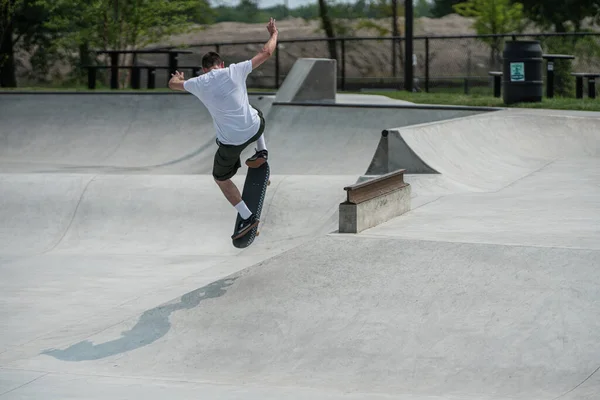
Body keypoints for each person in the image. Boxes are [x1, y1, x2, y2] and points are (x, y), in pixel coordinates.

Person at [168, 17, 278, 240]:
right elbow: (266, 53)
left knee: (220, 178)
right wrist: (274, 34)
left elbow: (173, 85)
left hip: (231, 142)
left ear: (204, 69)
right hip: (254, 129)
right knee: (256, 111)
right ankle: (262, 151)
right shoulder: (235, 70)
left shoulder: (197, 83)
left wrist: (178, 78)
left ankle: (248, 217)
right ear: (222, 64)